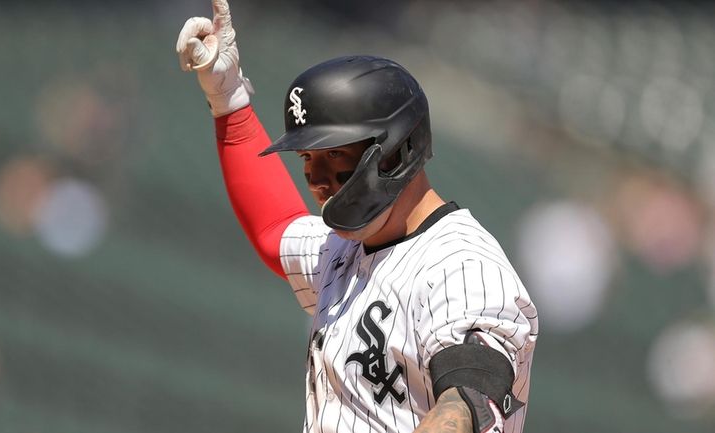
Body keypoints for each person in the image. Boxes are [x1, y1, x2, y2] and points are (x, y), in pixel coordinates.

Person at [176, 1, 538, 432]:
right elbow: (276, 229)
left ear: (395, 151)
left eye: (335, 154)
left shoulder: (462, 267)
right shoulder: (345, 251)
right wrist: (228, 96)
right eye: (308, 158)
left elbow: (468, 405)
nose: (317, 178)